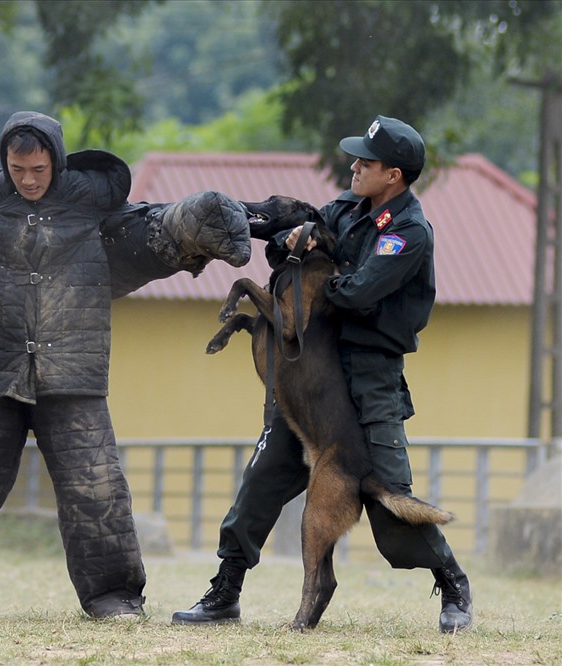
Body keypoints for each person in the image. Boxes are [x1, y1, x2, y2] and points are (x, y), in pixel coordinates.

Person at [0, 111, 252, 622]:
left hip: (73, 373)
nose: (28, 179)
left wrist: (186, 227)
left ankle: (114, 599)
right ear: (3, 161)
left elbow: (144, 235)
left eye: (38, 168)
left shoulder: (93, 200)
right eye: (17, 168)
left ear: (56, 158)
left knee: (96, 490)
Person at [171, 116, 473, 634]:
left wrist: (314, 268)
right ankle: (226, 591)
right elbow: (292, 233)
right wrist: (281, 236)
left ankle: (452, 584)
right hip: (315, 365)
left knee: (389, 502)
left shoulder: (407, 233)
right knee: (263, 478)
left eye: (367, 162)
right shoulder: (347, 210)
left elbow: (355, 293)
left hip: (371, 377)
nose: (354, 166)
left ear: (394, 176)